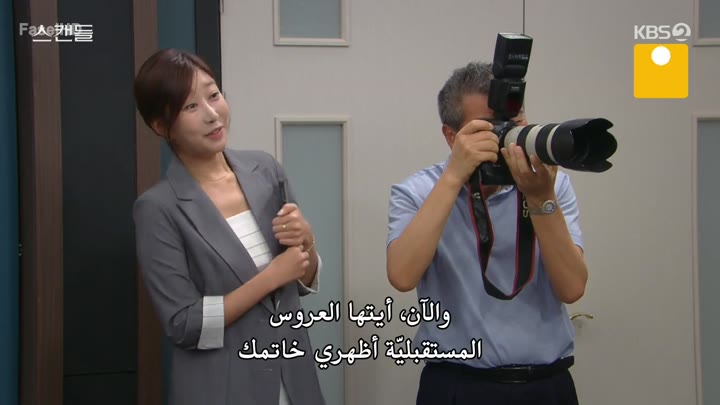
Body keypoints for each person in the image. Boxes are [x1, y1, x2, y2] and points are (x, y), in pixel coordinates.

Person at [386, 61, 588, 404]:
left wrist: (540, 198)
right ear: (452, 136)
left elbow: (572, 288)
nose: (506, 136)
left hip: (546, 384)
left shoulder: (551, 186)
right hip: (457, 385)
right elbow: (402, 276)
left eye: (515, 121)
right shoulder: (418, 192)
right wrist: (454, 177)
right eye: (489, 127)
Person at [132, 48, 326, 405]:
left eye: (213, 95)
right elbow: (184, 324)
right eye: (190, 106)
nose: (212, 114)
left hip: (295, 380)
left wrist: (307, 241)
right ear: (160, 126)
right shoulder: (158, 208)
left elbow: (300, 278)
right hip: (222, 388)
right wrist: (270, 278)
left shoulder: (265, 170)